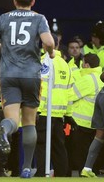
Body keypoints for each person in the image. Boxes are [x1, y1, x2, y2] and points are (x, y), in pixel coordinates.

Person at [0, 0, 55, 178]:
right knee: (29, 122)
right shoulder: (39, 18)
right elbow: (49, 42)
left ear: (14, 1)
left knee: (12, 119)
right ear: (33, 1)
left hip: (9, 76)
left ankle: (5, 128)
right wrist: (50, 53)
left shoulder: (3, 18)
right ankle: (27, 168)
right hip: (30, 76)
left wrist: (6, 48)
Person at [35, 34, 76, 177]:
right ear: (57, 45)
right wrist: (69, 114)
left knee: (41, 145)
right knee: (59, 147)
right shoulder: (65, 64)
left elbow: (43, 88)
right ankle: (62, 175)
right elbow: (70, 91)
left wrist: (38, 110)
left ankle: (40, 173)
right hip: (59, 114)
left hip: (45, 112)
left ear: (43, 45)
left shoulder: (44, 62)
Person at [69, 53, 104, 175]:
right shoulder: (101, 77)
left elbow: (71, 95)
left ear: (86, 65)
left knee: (80, 155)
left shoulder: (88, 79)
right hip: (96, 123)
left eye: (82, 63)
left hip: (82, 123)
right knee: (93, 153)